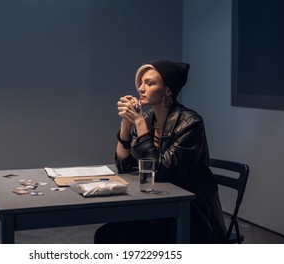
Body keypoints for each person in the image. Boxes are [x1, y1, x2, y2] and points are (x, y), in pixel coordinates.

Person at [94, 60, 227, 244]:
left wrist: (139, 123)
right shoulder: (149, 119)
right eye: (140, 83)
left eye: (149, 83)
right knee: (105, 235)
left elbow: (161, 170)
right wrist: (126, 124)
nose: (141, 88)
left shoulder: (190, 123)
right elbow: (125, 165)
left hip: (189, 213)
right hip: (158, 204)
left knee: (126, 238)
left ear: (168, 90)